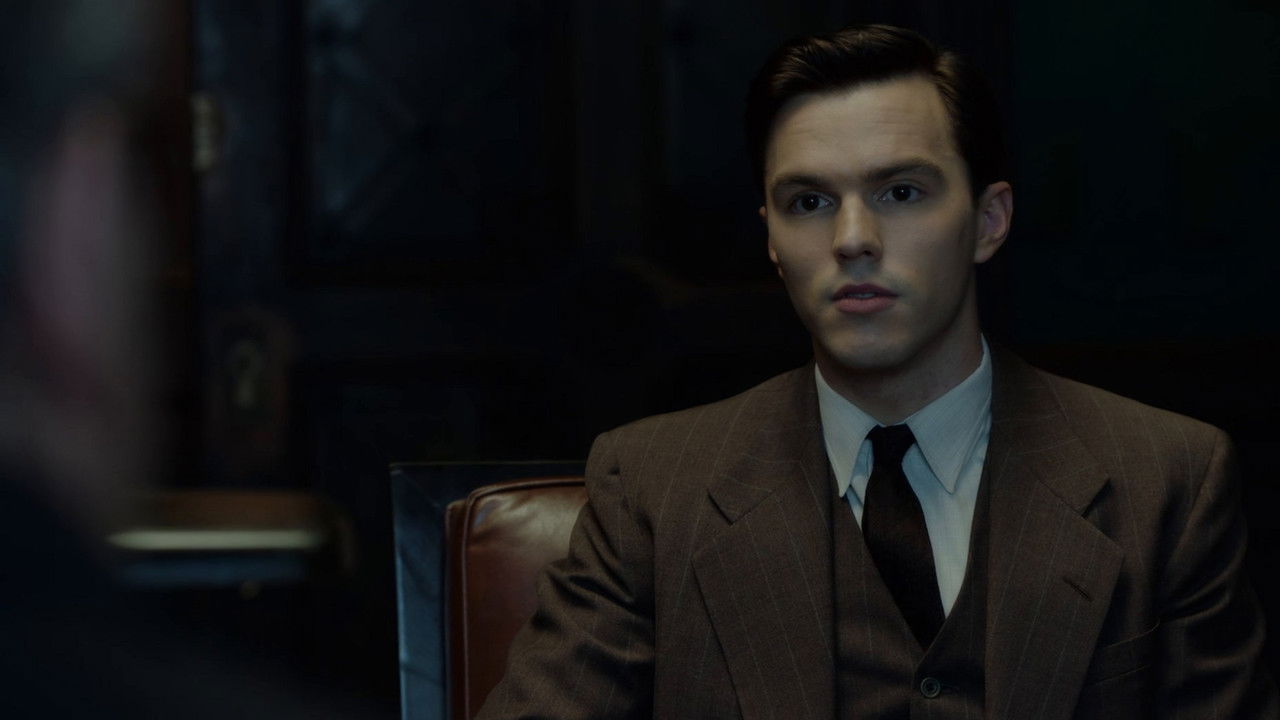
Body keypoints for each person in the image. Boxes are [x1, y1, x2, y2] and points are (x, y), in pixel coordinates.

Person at [476, 24, 1277, 719]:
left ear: (988, 221)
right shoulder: (652, 487)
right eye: (809, 202)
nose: (852, 238)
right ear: (771, 239)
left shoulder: (1166, 479)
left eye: (900, 191)